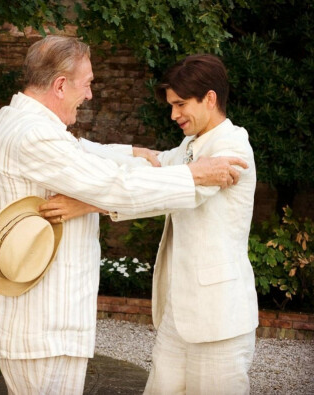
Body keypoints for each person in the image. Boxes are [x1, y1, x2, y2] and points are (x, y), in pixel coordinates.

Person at [0, 34, 248, 395]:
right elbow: (113, 184)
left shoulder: (16, 121)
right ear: (59, 85)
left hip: (40, 322)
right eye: (86, 85)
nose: (89, 94)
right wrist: (192, 174)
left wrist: (131, 156)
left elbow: (82, 153)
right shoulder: (34, 135)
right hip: (41, 322)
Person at [42, 54, 258, 394]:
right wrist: (76, 148)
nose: (173, 115)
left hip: (219, 318)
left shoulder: (232, 146)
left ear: (211, 98)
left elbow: (174, 193)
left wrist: (85, 204)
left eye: (180, 104)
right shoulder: (193, 143)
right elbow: (153, 164)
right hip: (178, 313)